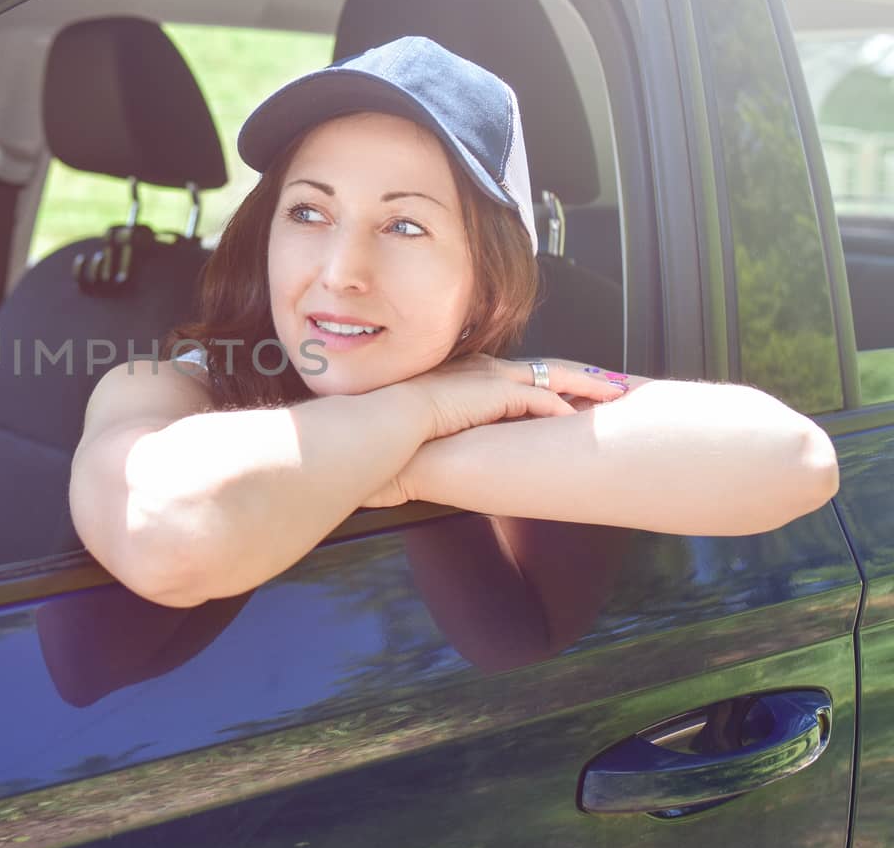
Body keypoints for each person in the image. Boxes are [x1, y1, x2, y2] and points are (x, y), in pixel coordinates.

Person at [69, 36, 840, 610]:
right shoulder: (169, 387)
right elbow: (166, 529)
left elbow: (793, 459)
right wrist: (414, 414)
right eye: (309, 211)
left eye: (404, 226)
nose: (339, 271)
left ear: (486, 278)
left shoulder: (517, 395)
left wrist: (398, 461)